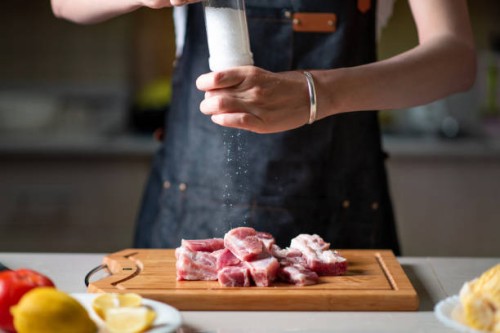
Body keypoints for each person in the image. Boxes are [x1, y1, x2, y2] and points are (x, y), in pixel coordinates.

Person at [51, 0, 475, 254]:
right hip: (191, 207)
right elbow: (65, 4)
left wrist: (316, 93)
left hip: (341, 213)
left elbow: (455, 58)